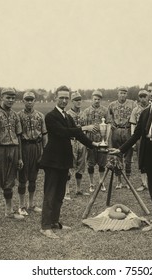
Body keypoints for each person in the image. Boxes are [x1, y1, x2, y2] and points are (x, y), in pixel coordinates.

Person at [109, 82, 152, 238]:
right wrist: (120, 150)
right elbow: (136, 135)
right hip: (148, 157)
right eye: (150, 91)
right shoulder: (145, 112)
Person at [39, 86, 100, 239]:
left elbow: (78, 134)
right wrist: (82, 128)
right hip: (52, 160)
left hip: (64, 160)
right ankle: (45, 226)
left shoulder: (67, 116)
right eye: (61, 98)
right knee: (50, 193)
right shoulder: (50, 116)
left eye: (67, 98)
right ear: (55, 98)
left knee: (59, 193)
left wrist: (93, 145)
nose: (64, 100)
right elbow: (64, 132)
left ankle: (54, 222)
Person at [0, 88, 25, 227]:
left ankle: (9, 211)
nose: (10, 100)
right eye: (8, 97)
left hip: (13, 149)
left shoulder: (15, 115)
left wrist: (20, 157)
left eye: (13, 97)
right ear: (2, 97)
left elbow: (18, 137)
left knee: (10, 182)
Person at [17, 91, 48, 215]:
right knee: (22, 178)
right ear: (23, 101)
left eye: (32, 100)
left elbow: (44, 134)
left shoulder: (40, 116)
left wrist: (44, 151)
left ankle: (31, 204)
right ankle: (21, 205)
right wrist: (19, 155)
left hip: (36, 146)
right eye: (27, 100)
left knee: (33, 178)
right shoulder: (18, 116)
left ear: (35, 101)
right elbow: (18, 136)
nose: (29, 102)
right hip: (24, 146)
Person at [65, 91, 95, 197]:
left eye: (79, 100)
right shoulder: (67, 114)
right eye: (76, 100)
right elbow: (68, 130)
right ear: (72, 101)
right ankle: (67, 191)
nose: (78, 102)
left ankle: (78, 189)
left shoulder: (84, 113)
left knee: (81, 165)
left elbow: (87, 128)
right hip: (71, 141)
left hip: (81, 142)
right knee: (69, 165)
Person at [81, 90, 110, 193]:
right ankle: (91, 183)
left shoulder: (105, 111)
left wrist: (106, 139)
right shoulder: (86, 111)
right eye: (95, 99)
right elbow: (82, 127)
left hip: (101, 141)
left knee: (102, 164)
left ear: (100, 100)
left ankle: (101, 183)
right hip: (91, 141)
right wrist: (86, 138)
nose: (97, 101)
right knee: (91, 164)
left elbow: (109, 124)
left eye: (98, 99)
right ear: (92, 99)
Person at [108, 86, 136, 189]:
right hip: (116, 130)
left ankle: (128, 181)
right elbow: (108, 116)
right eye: (121, 93)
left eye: (124, 93)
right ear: (117, 93)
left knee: (128, 157)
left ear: (127, 94)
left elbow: (136, 116)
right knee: (117, 156)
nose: (123, 95)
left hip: (127, 129)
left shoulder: (133, 104)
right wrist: (111, 124)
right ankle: (118, 181)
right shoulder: (112, 104)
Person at [129, 89, 150, 191]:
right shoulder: (135, 110)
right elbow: (133, 125)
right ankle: (144, 183)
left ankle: (151, 182)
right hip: (139, 137)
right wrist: (133, 140)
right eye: (141, 97)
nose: (143, 99)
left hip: (151, 137)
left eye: (144, 96)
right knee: (141, 159)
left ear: (148, 96)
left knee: (151, 159)